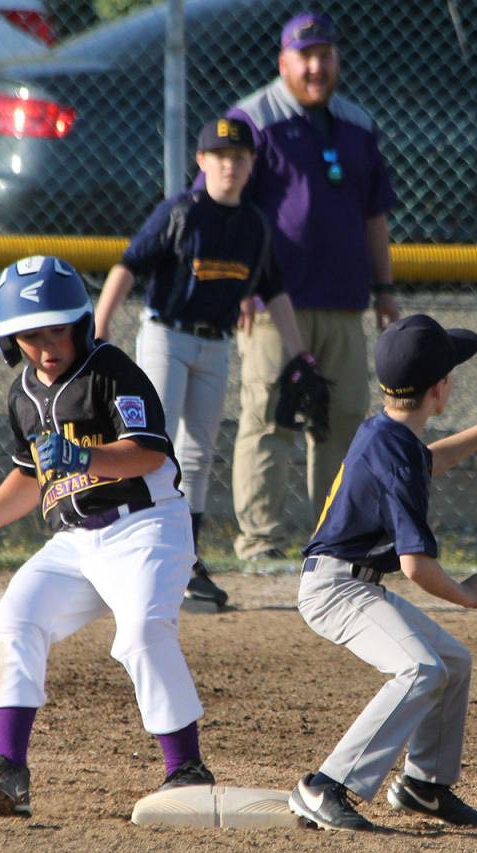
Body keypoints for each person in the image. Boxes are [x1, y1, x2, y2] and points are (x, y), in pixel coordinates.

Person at [0, 255, 215, 817]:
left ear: (81, 325)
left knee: (139, 631)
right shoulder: (21, 396)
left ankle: (186, 768)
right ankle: (7, 769)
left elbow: (148, 452)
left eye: (56, 329)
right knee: (16, 617)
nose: (45, 346)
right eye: (30, 335)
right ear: (9, 340)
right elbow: (30, 477)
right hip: (74, 542)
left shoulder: (111, 370)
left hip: (146, 528)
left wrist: (82, 454)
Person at [288, 314, 477, 832]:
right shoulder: (394, 451)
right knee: (420, 669)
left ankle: (423, 786)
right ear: (441, 388)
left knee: (451, 660)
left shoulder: (388, 433)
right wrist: (467, 596)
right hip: (335, 589)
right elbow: (416, 566)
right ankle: (324, 785)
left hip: (347, 581)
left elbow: (425, 461)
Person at [95, 117, 317, 609]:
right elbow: (128, 264)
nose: (229, 166)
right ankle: (134, 548)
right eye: (219, 156)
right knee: (156, 443)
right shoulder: (181, 211)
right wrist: (101, 326)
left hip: (215, 344)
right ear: (201, 162)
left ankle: (186, 561)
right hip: (167, 336)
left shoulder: (255, 225)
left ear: (251, 165)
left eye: (238, 158)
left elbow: (274, 292)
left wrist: (300, 354)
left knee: (197, 454)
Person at [217, 11, 400, 561]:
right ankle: (262, 545)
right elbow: (227, 208)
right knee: (269, 419)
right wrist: (240, 286)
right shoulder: (252, 120)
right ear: (284, 62)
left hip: (344, 302)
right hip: (275, 305)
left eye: (325, 54)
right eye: (306, 56)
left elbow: (375, 216)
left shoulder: (357, 125)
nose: (317, 66)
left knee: (341, 424)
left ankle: (335, 544)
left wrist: (385, 288)